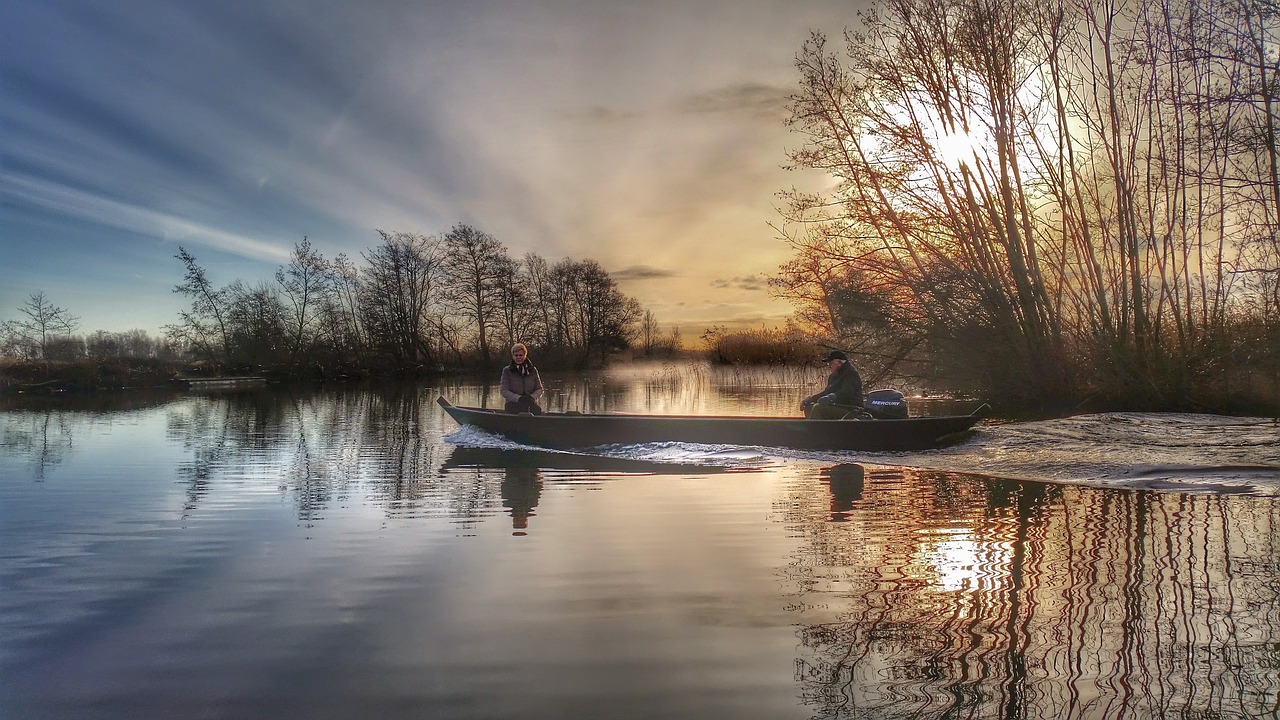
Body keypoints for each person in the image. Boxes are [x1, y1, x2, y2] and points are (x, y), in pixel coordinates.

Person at [800, 350, 864, 419]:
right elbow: (826, 393)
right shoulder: (833, 376)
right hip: (837, 407)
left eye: (830, 363)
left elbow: (847, 392)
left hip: (851, 410)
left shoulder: (851, 373)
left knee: (818, 408)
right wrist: (811, 399)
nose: (829, 366)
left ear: (839, 363)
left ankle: (813, 429)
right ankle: (811, 427)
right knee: (809, 406)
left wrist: (831, 397)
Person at [500, 342, 544, 414]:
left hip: (529, 402)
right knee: (514, 410)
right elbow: (504, 391)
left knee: (537, 410)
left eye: (521, 355)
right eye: (516, 355)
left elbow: (539, 389)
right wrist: (518, 398)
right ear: (513, 356)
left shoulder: (533, 370)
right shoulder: (507, 370)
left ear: (525, 355)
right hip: (513, 403)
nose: (518, 357)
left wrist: (532, 397)